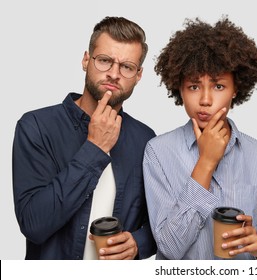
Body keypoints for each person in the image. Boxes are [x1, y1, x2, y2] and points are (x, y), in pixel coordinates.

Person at [12, 16, 157, 260]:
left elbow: (158, 224)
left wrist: (138, 243)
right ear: (86, 60)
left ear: (138, 75)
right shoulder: (36, 126)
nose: (114, 74)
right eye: (104, 61)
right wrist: (95, 147)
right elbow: (34, 224)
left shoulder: (145, 139)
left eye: (127, 67)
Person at [143, 16, 257, 260]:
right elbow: (169, 248)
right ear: (180, 89)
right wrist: (206, 162)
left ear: (236, 88)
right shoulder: (158, 152)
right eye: (194, 87)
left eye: (218, 86)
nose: (205, 100)